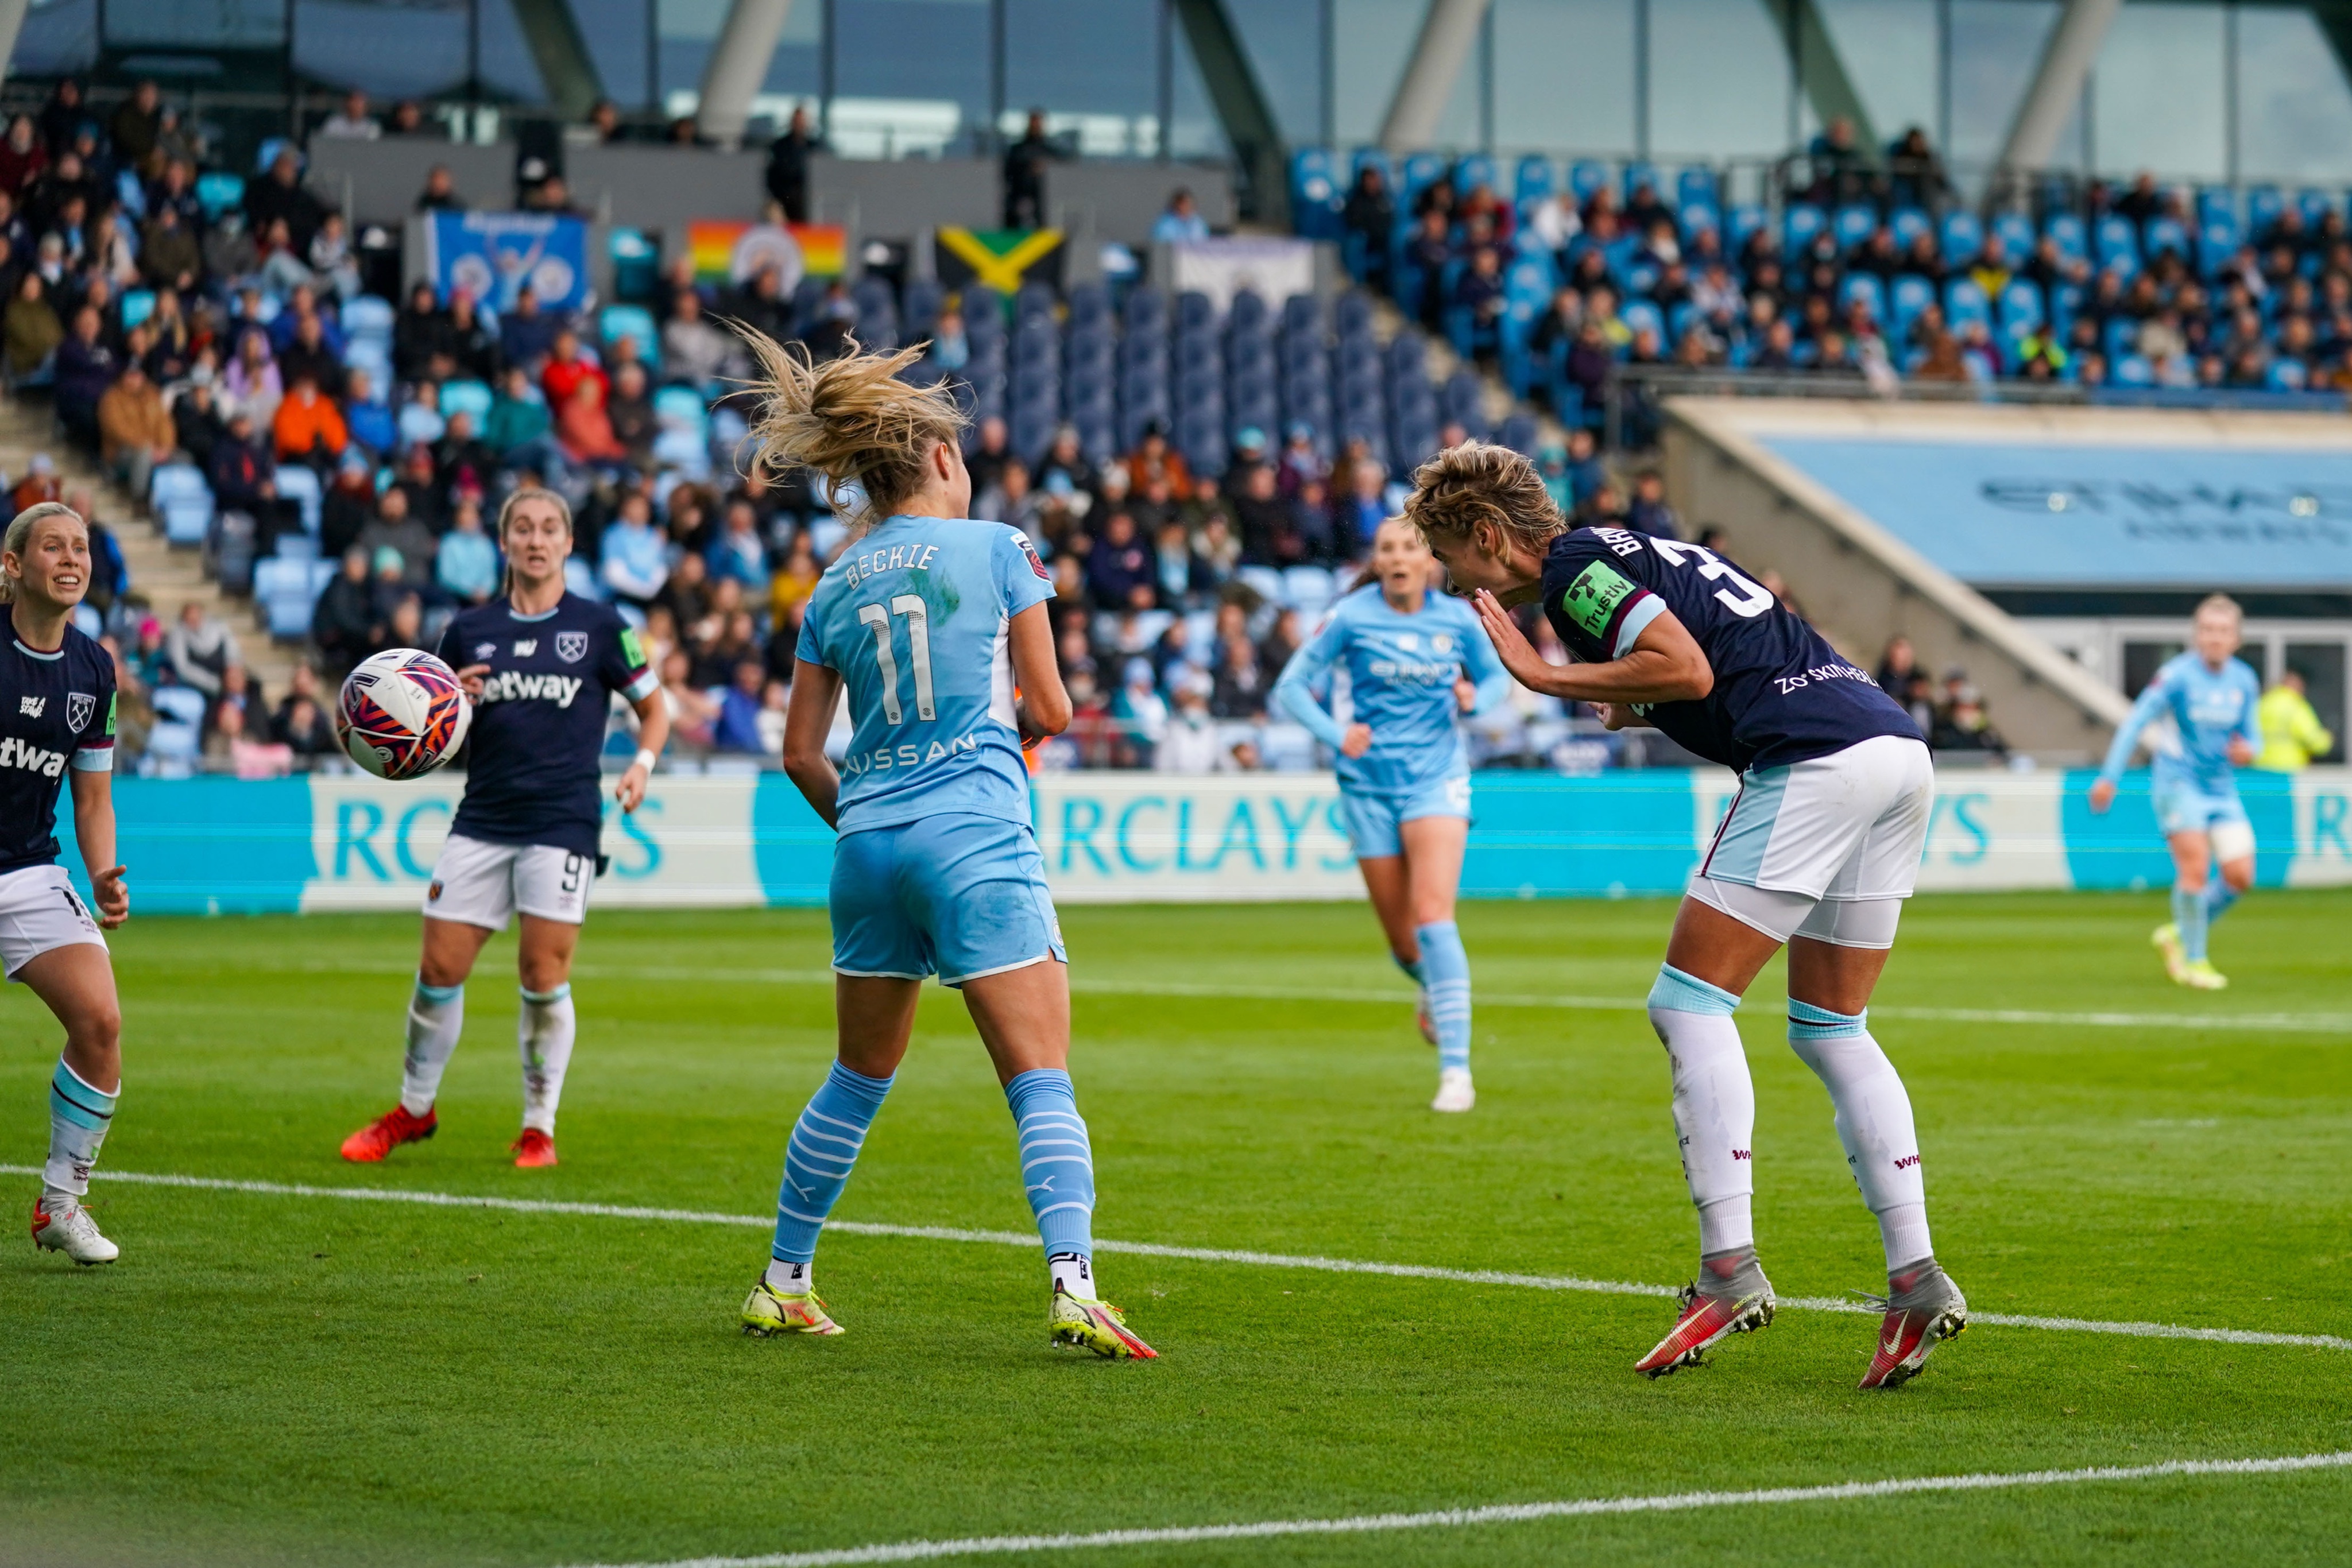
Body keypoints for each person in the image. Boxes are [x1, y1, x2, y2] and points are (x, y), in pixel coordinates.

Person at [1408, 441, 1964, 1390]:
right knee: (1833, 1027)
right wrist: (1632, 703)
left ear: (1493, 538)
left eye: (1450, 557)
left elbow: (1687, 668)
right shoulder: (1628, 549)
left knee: (1688, 1004)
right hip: (1889, 746)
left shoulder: (1576, 570)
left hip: (1814, 757)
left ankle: (1726, 1268)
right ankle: (1915, 1277)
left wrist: (1546, 679)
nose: (1451, 579)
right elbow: (1704, 660)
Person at [734, 331, 1153, 1360]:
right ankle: (1074, 1287)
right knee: (1038, 1074)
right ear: (939, 459)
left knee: (858, 1074)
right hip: (973, 833)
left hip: (866, 845)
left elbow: (798, 753)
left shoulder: (831, 584)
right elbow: (1050, 704)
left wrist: (877, 815)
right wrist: (994, 764)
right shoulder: (999, 547)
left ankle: (783, 1279)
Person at [338, 488, 670, 1169]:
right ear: (504, 542)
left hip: (563, 821)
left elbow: (654, 706)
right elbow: (438, 744)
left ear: (569, 543)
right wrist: (455, 706)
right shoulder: (466, 632)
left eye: (549, 528)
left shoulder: (603, 626)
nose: (536, 539)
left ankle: (538, 1127)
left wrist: (641, 762)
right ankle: (415, 1108)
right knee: (437, 971)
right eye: (523, 528)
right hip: (482, 817)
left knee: (541, 976)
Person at [1271, 517, 1509, 1113]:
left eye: (1409, 547)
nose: (1398, 557)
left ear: (1429, 559)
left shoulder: (1456, 619)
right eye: (1387, 549)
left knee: (1433, 918)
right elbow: (1292, 685)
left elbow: (1498, 680)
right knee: (1405, 946)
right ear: (1376, 562)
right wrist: (1333, 732)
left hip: (1436, 780)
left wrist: (1473, 698)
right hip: (1367, 785)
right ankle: (1435, 990)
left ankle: (1456, 1071)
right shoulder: (1351, 618)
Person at [0, 503, 129, 1264]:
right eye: (53, 545)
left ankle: (60, 1202)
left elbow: (93, 797)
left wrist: (104, 872)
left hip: (27, 870)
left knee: (101, 1023)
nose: (70, 556)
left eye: (80, 545)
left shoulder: (93, 668)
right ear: (15, 564)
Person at [2088, 595, 2263, 991]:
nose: (2214, 638)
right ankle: (2196, 960)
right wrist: (2110, 776)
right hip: (2177, 783)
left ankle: (2178, 934)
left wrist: (2250, 750)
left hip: (2222, 788)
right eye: (2207, 630)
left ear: (2236, 638)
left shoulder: (2244, 680)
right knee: (2196, 868)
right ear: (2196, 635)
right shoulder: (2176, 676)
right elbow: (2135, 722)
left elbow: (2254, 735)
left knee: (2240, 875)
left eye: (2222, 631)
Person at [2256, 668, 2334, 772]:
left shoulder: (2262, 704)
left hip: (2258, 769)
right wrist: (2327, 739)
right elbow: (2314, 741)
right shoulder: (2295, 706)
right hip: (2288, 769)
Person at [764, 105, 823, 223]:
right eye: (796, 121)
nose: (799, 124)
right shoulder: (780, 146)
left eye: (801, 121)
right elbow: (772, 173)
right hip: (783, 197)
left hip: (806, 198)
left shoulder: (813, 147)